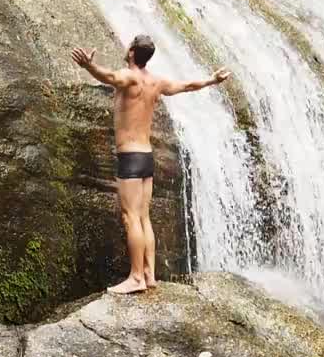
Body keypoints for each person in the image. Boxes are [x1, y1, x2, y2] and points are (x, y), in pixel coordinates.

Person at [71, 35, 231, 295]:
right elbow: (189, 85)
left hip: (130, 157)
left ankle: (135, 278)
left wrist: (89, 67)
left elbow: (110, 77)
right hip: (147, 157)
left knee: (130, 216)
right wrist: (212, 80)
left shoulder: (130, 77)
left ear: (132, 52)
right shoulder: (157, 82)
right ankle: (149, 273)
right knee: (144, 216)